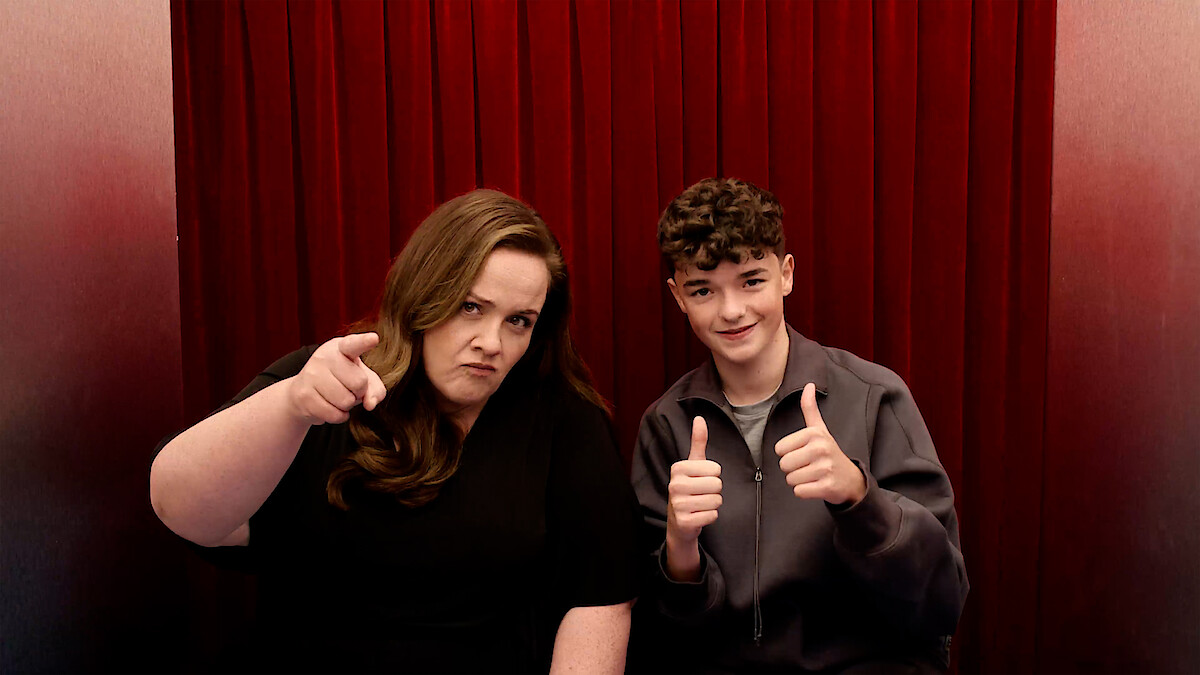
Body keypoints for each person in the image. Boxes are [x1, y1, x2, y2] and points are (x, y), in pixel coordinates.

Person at [150, 189, 640, 673]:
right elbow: (182, 510)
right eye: (471, 307)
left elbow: (601, 599)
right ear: (424, 295)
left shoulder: (562, 418)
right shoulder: (326, 381)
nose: (492, 342)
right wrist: (290, 405)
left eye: (518, 321)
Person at [629, 178, 969, 672]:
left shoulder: (874, 397)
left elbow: (942, 601)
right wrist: (681, 550)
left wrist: (859, 498)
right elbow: (664, 636)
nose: (732, 311)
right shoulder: (666, 425)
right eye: (703, 290)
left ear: (786, 274)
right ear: (678, 297)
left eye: (751, 280)